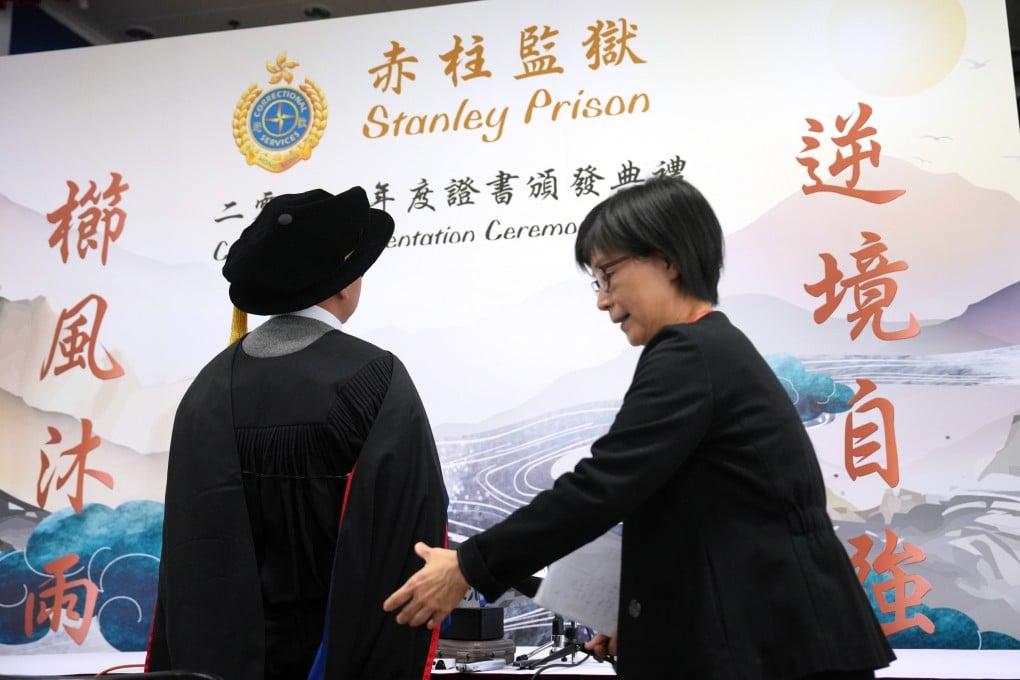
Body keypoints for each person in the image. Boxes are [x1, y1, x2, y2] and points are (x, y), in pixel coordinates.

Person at [383, 176, 896, 680]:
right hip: (779, 634)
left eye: (607, 274)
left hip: (772, 642)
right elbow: (702, 520)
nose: (602, 300)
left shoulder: (689, 352)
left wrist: (469, 566)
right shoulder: (715, 350)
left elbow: (602, 485)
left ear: (666, 260)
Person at [146, 187, 448, 680]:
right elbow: (409, 533)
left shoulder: (206, 388)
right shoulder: (374, 379)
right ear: (347, 283)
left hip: (217, 665)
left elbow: (188, 555)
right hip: (332, 658)